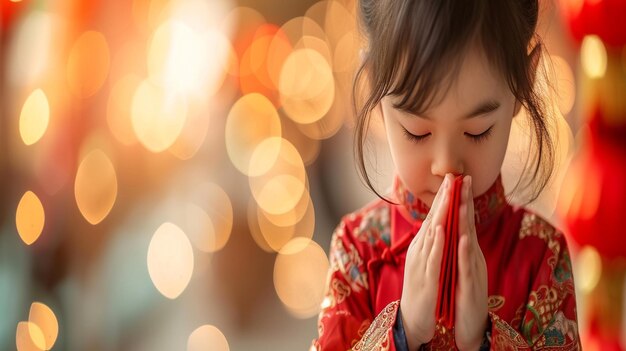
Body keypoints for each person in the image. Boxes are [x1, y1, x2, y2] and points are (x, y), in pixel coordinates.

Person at [311, 0, 581, 350]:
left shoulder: (542, 255)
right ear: (375, 84)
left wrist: (484, 338)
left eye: (478, 131)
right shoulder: (357, 249)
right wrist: (404, 329)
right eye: (417, 132)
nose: (447, 165)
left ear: (524, 82)